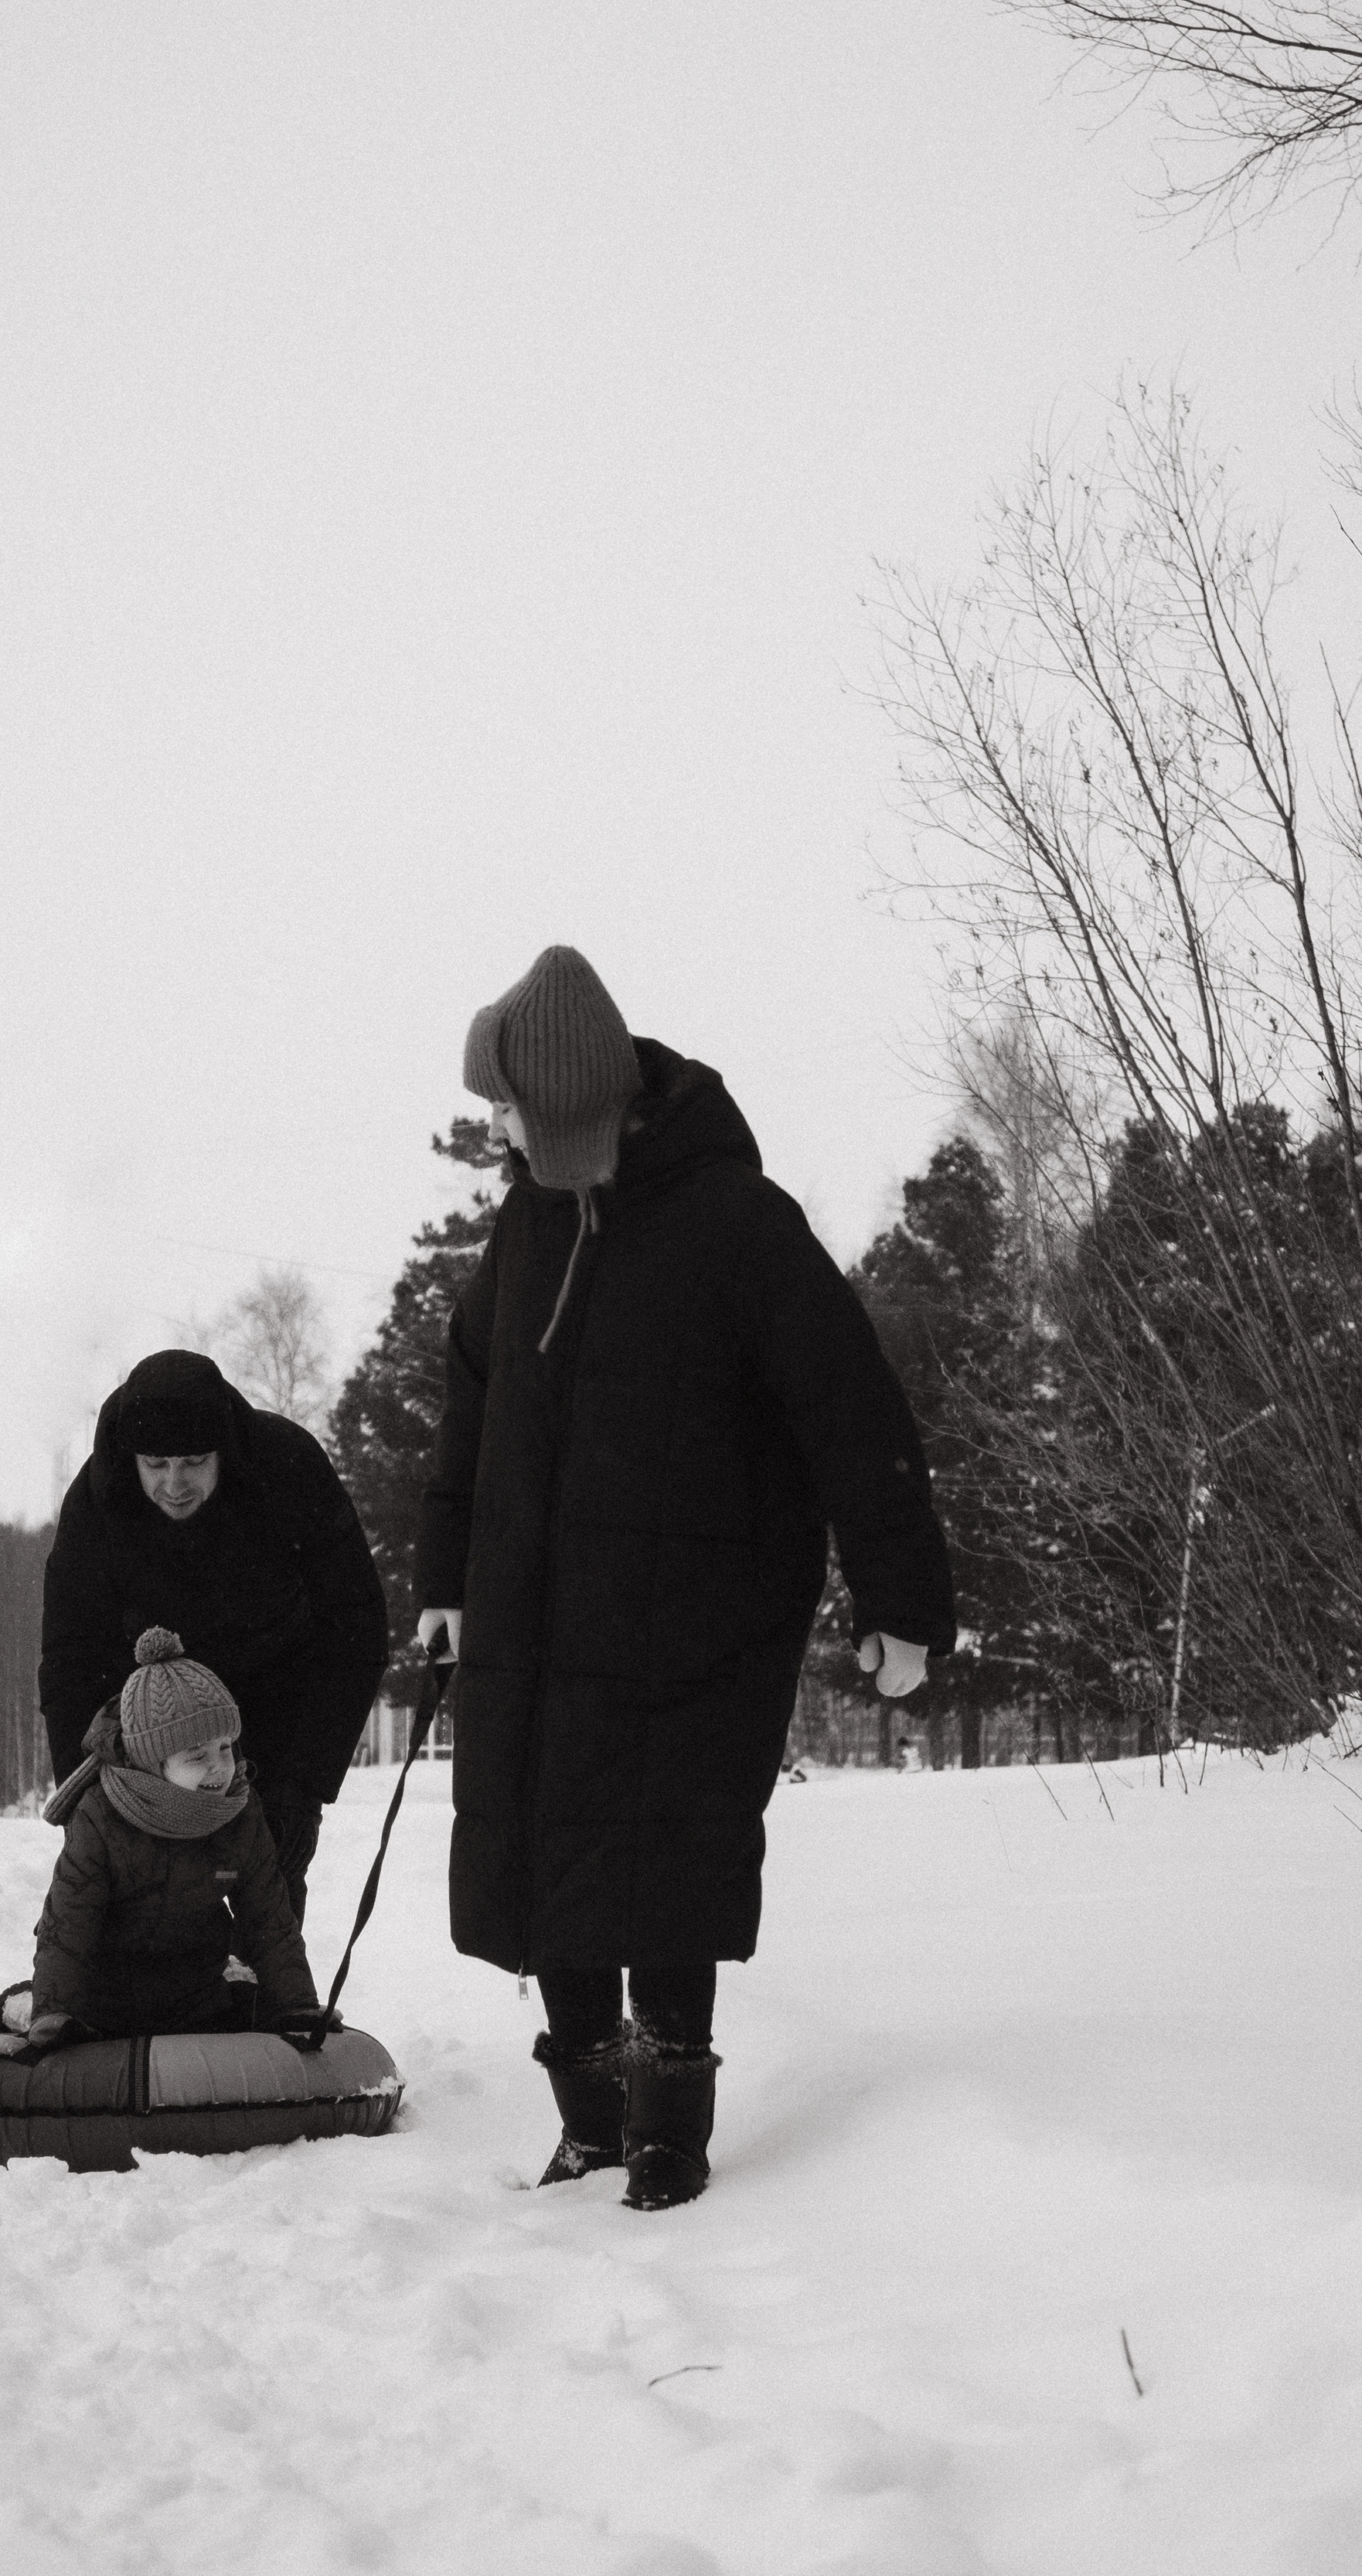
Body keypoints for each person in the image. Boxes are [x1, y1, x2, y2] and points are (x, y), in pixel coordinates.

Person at [413, 946, 955, 2211]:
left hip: (697, 1614)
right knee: (547, 1848)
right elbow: (472, 1401)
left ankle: (667, 2131)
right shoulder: (528, 1219)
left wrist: (905, 1606)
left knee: (662, 1856)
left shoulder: (735, 1225)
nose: (492, 1130)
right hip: (538, 1607)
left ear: (570, 1108)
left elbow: (852, 1413)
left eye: (509, 1108)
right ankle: (588, 2119)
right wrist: (447, 1575)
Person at [39, 1348, 389, 1922]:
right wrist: (84, 1798)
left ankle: (262, 2003)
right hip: (152, 1730)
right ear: (132, 1457)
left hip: (274, 1710)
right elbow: (69, 1654)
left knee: (264, 1905)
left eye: (194, 1461)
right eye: (156, 1463)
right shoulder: (98, 1501)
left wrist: (306, 1784)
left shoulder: (288, 1469)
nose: (174, 1484)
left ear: (223, 1449)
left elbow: (356, 1627)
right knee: (146, 1912)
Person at [11, 1627, 333, 2048]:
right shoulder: (102, 1816)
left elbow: (269, 1919)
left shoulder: (238, 1811)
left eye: (224, 1747)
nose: (219, 1767)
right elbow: (67, 1923)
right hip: (102, 1997)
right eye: (196, 1756)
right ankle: (21, 2006)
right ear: (151, 1762)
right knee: (51, 2012)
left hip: (195, 1992)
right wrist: (54, 2012)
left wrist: (296, 2006)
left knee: (254, 2004)